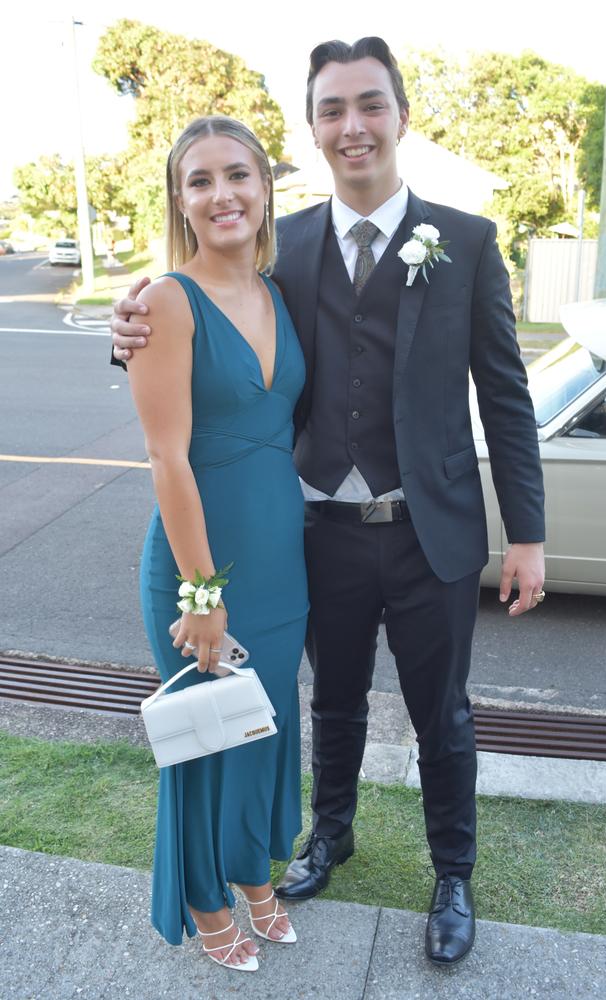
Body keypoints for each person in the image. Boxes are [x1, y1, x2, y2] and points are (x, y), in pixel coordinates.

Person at [111, 37, 545, 967]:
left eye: (370, 105)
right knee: (329, 706)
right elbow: (199, 338)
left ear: (400, 114)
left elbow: (505, 397)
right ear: (311, 131)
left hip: (432, 530)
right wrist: (126, 331)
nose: (353, 126)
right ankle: (328, 838)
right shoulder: (284, 245)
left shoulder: (464, 241)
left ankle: (453, 872)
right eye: (333, 110)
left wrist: (530, 537)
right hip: (319, 534)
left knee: (445, 714)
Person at [125, 115, 308, 973]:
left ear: (267, 186)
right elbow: (167, 457)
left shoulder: (278, 290)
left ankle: (252, 873)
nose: (222, 193)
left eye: (238, 174)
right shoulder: (166, 299)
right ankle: (206, 900)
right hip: (203, 568)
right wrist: (203, 595)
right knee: (206, 740)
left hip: (282, 566)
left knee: (262, 729)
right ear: (182, 200)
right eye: (200, 180)